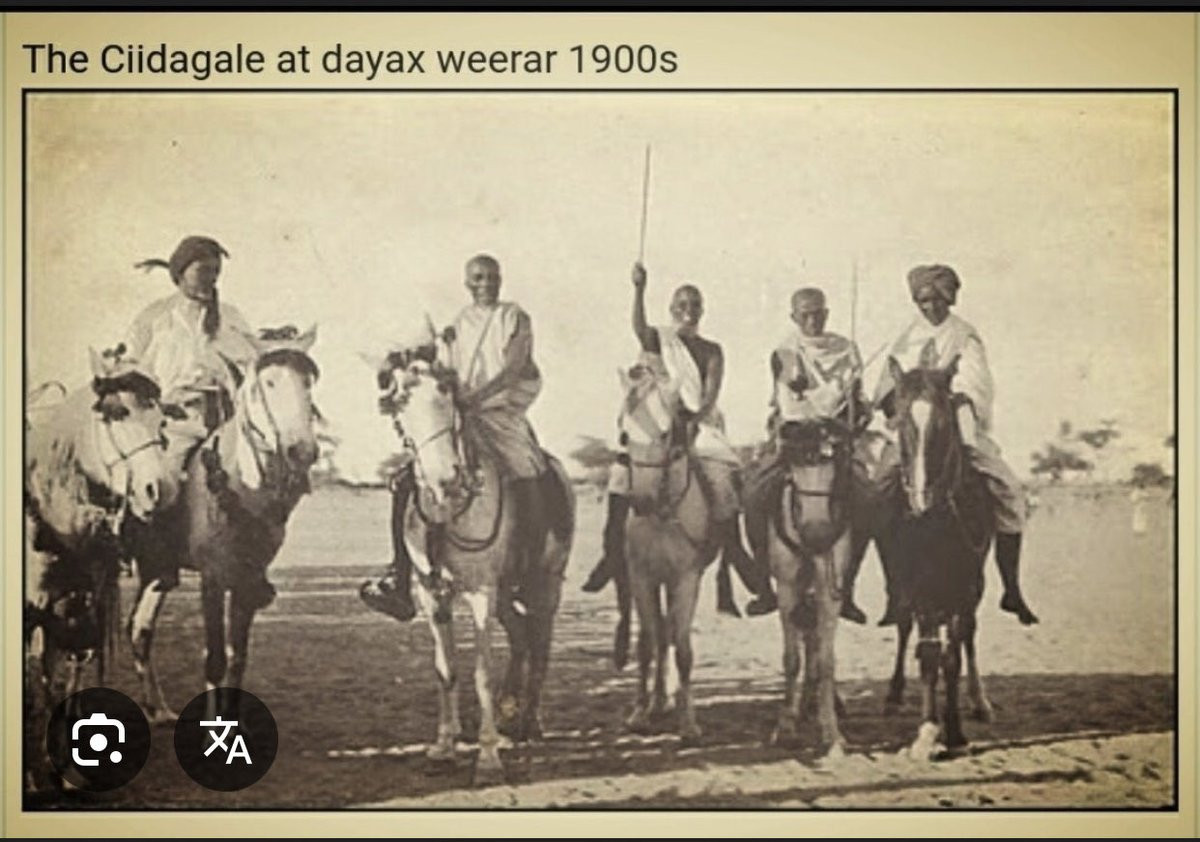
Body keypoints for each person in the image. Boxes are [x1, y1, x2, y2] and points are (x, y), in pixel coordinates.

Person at [363, 254, 556, 621]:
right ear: (468, 283)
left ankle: (530, 577)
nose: (487, 283)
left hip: (502, 415)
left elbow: (514, 368)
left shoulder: (514, 316)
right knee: (408, 480)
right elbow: (438, 367)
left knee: (527, 475)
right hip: (462, 416)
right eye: (479, 278)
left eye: (492, 277)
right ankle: (400, 578)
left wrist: (476, 397)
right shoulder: (457, 324)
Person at [581, 262, 772, 617]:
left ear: (702, 310)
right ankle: (610, 556)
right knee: (621, 478)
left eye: (694, 305)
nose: (688, 311)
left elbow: (709, 396)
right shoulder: (658, 339)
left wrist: (693, 422)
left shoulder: (712, 350)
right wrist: (639, 289)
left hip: (699, 426)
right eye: (682, 305)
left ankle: (739, 560)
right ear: (671, 309)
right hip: (657, 424)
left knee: (722, 485)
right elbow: (639, 327)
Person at [868, 263, 1038, 625]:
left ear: (950, 299)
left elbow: (976, 383)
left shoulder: (964, 336)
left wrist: (954, 399)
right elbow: (887, 383)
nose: (930, 306)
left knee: (1008, 489)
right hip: (912, 428)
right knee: (877, 492)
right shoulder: (905, 337)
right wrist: (895, 405)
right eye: (923, 300)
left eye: (936, 299)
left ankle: (1011, 588)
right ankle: (894, 591)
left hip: (953, 422)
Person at [123, 235, 273, 607]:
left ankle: (252, 568)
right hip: (175, 420)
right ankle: (160, 562)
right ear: (180, 273)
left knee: (259, 481)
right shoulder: (155, 317)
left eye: (216, 272)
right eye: (203, 271)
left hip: (225, 417)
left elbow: (256, 360)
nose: (211, 279)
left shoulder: (230, 317)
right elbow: (130, 366)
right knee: (163, 483)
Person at [740, 287, 874, 621]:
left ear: (826, 314)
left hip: (837, 444)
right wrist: (818, 415)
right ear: (794, 317)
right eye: (805, 315)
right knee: (754, 495)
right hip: (794, 442)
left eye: (817, 313)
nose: (812, 320)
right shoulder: (785, 351)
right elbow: (791, 403)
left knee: (868, 500)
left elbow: (856, 398)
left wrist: (857, 412)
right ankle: (764, 586)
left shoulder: (846, 349)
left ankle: (848, 586)